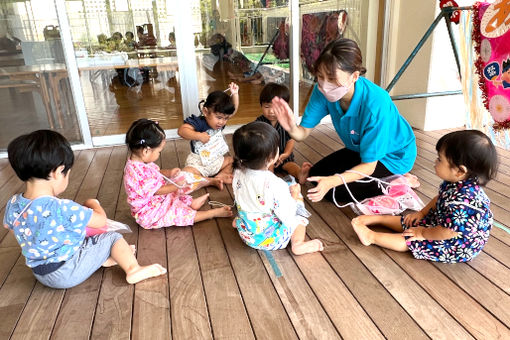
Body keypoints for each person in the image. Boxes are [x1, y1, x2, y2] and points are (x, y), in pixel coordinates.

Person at [3, 130, 167, 289]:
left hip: (41, 274)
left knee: (80, 238)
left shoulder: (14, 203)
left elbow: (14, 230)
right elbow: (100, 221)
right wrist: (93, 203)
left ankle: (103, 258)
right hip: (66, 273)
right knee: (112, 238)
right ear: (58, 171)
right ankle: (133, 269)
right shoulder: (62, 207)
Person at [271, 38, 417, 204]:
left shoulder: (376, 103)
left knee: (335, 192)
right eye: (320, 76)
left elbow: (369, 165)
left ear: (354, 76)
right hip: (361, 149)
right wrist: (290, 126)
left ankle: (396, 180)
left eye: (332, 78)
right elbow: (301, 134)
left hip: (393, 155)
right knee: (315, 177)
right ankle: (384, 178)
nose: (325, 85)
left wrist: (332, 182)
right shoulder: (322, 91)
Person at [351, 130, 498, 263]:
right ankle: (378, 219)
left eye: (440, 159)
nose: (435, 162)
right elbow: (439, 199)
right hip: (443, 223)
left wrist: (422, 233)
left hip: (455, 242)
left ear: (460, 171)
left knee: (411, 240)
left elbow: (448, 231)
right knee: (410, 221)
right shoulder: (458, 183)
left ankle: (371, 237)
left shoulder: (464, 202)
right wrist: (422, 213)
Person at [232, 122, 324, 254]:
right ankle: (298, 244)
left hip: (246, 233)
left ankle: (239, 222)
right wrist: (294, 196)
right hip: (269, 239)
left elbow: (240, 196)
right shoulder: (275, 184)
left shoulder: (238, 172)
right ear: (271, 157)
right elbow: (287, 214)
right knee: (299, 216)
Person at [124, 119, 233, 229]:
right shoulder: (136, 173)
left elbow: (156, 173)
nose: (159, 154)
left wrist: (170, 173)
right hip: (150, 213)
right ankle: (212, 213)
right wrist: (176, 185)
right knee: (179, 214)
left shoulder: (139, 162)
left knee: (181, 182)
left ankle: (191, 203)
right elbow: (158, 191)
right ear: (146, 151)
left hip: (157, 200)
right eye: (158, 151)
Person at [178, 82, 239, 184]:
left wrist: (235, 94)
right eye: (219, 117)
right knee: (185, 175)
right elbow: (182, 131)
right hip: (198, 164)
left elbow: (233, 111)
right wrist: (198, 135)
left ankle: (220, 176)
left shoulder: (219, 123)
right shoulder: (199, 122)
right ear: (205, 112)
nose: (222, 122)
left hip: (216, 161)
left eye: (226, 118)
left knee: (235, 161)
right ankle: (210, 181)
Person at [255, 82, 311, 179]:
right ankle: (270, 177)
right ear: (261, 105)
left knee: (290, 165)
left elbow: (291, 140)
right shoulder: (259, 123)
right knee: (267, 166)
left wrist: (286, 153)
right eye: (267, 107)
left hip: (283, 156)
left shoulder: (286, 122)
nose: (271, 111)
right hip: (267, 157)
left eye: (276, 108)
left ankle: (300, 174)